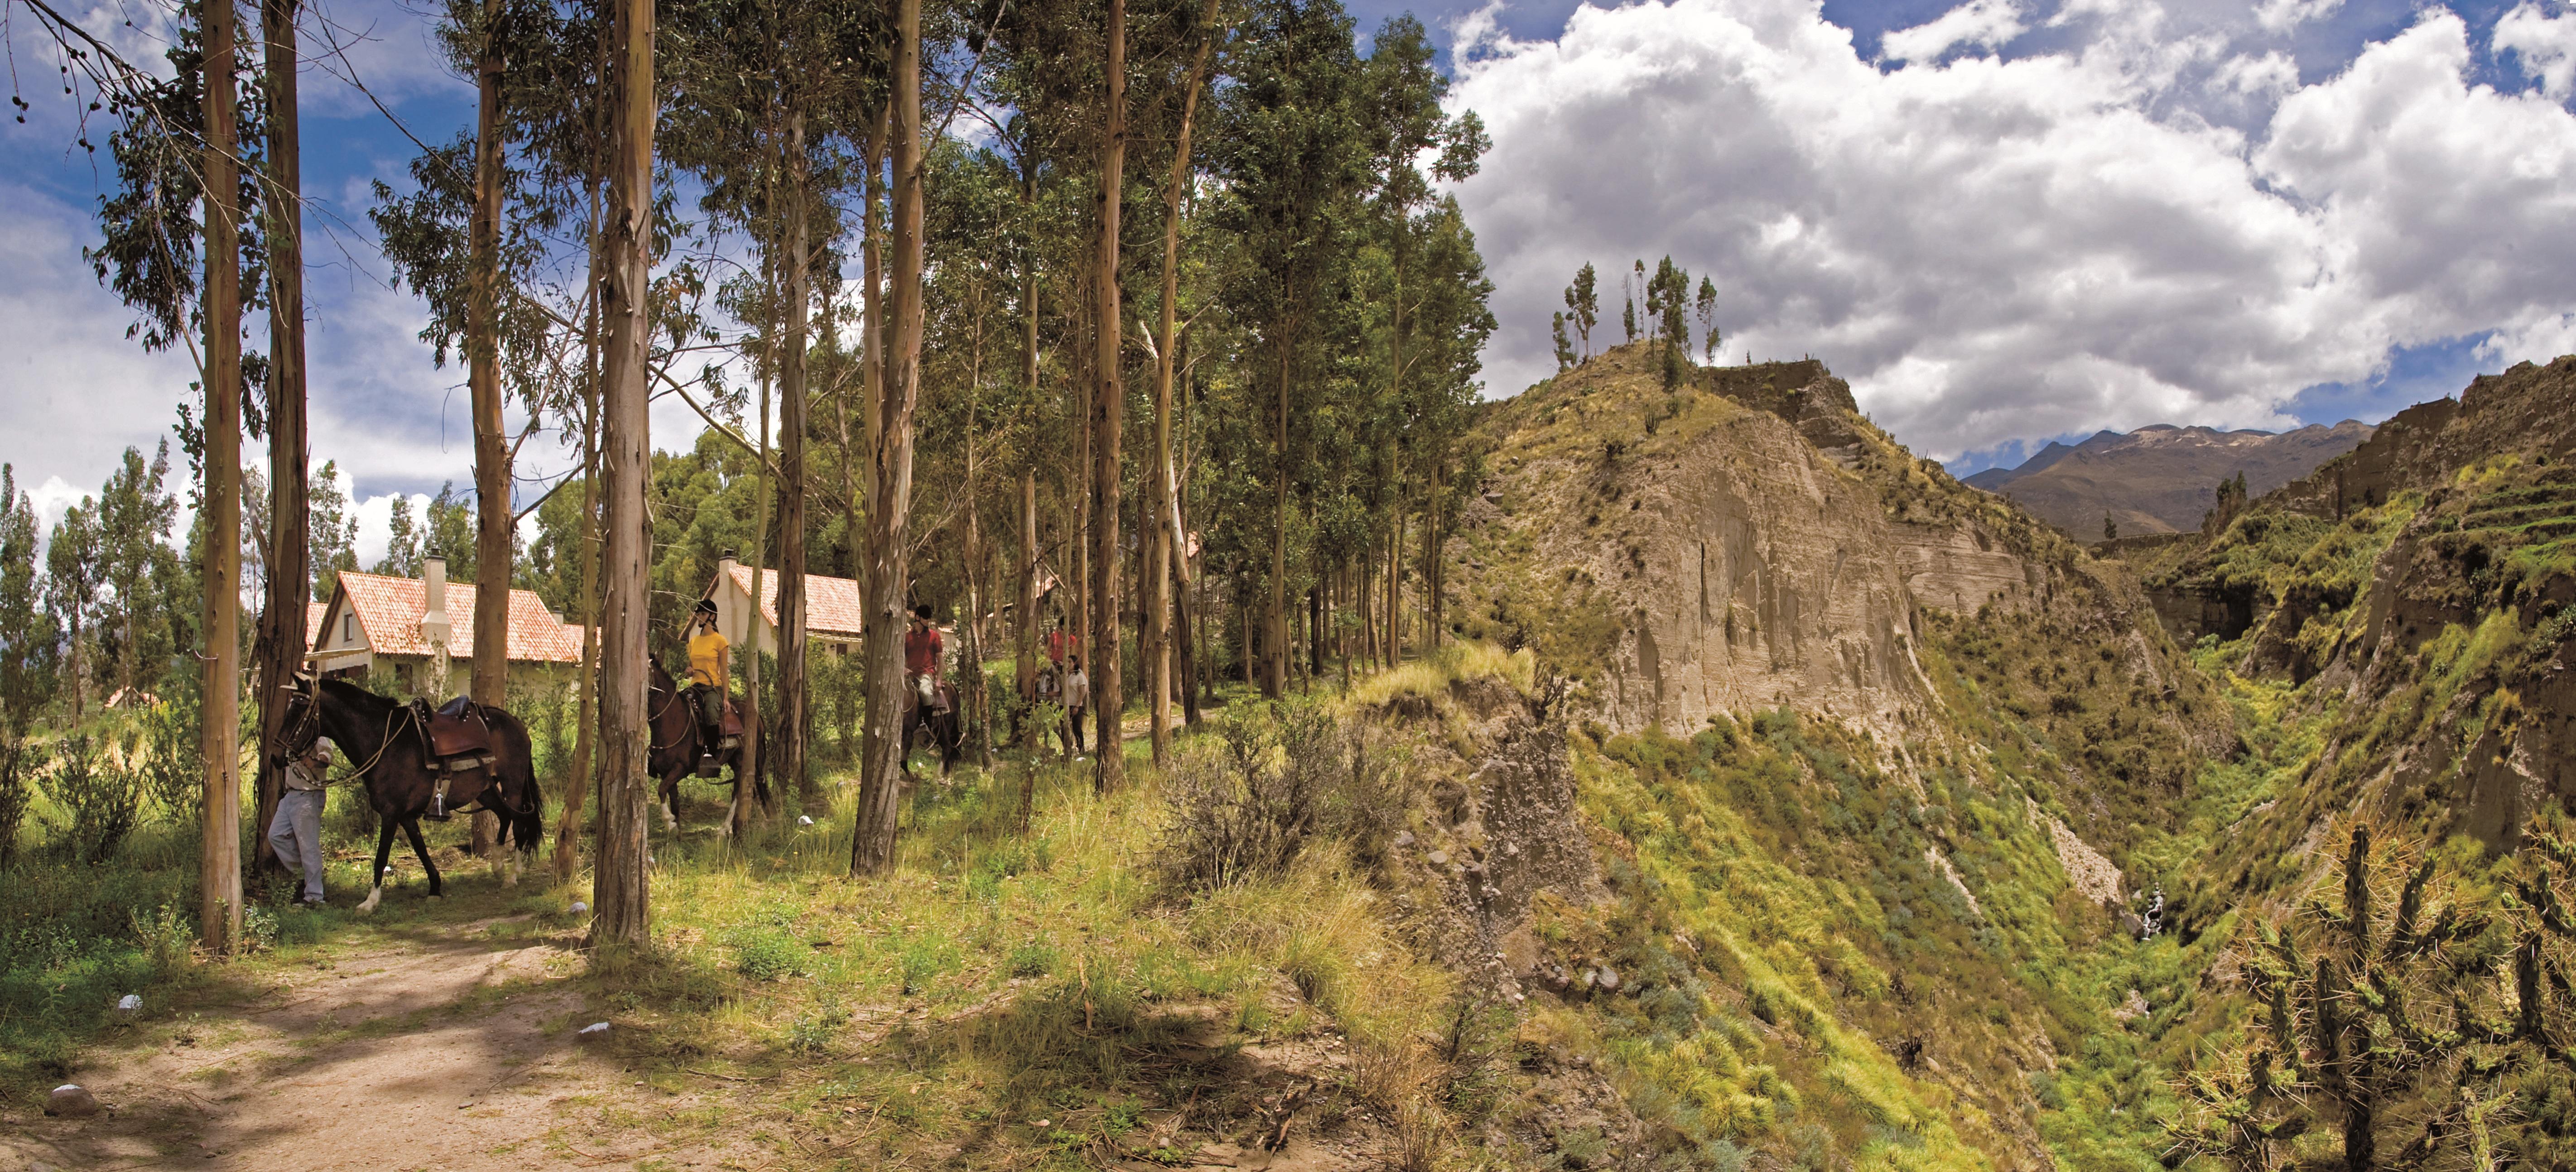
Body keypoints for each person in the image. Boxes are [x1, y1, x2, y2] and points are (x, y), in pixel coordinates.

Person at [267, 736, 334, 906]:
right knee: (276, 835)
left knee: (309, 847)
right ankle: (309, 877)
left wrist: (316, 761)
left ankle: (314, 897)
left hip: (308, 795)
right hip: (291, 795)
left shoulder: (316, 732)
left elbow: (327, 753)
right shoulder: (293, 733)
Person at [685, 598, 731, 744]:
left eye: (703, 614)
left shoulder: (720, 641)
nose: (699, 617)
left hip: (712, 689)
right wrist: (689, 671)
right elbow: (691, 667)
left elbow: (724, 671)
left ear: (712, 617)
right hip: (695, 687)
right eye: (698, 614)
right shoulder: (693, 641)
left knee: (711, 712)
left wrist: (725, 698)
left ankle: (711, 754)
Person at [905, 604, 946, 712]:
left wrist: (939, 680)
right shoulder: (907, 637)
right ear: (918, 618)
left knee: (926, 693)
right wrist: (903, 669)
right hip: (909, 675)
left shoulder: (934, 636)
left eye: (929, 618)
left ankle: (928, 726)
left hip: (926, 675)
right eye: (926, 618)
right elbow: (901, 657)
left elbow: (940, 659)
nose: (928, 621)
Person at [1062, 653, 1089, 758]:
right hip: (1064, 705)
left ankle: (1081, 748)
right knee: (1063, 727)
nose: (1068, 664)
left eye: (1070, 662)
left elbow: (1082, 693)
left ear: (1075, 663)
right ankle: (1067, 749)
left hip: (1075, 705)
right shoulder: (1065, 676)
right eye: (1066, 662)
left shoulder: (1079, 676)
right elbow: (1061, 691)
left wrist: (1077, 706)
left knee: (1076, 728)